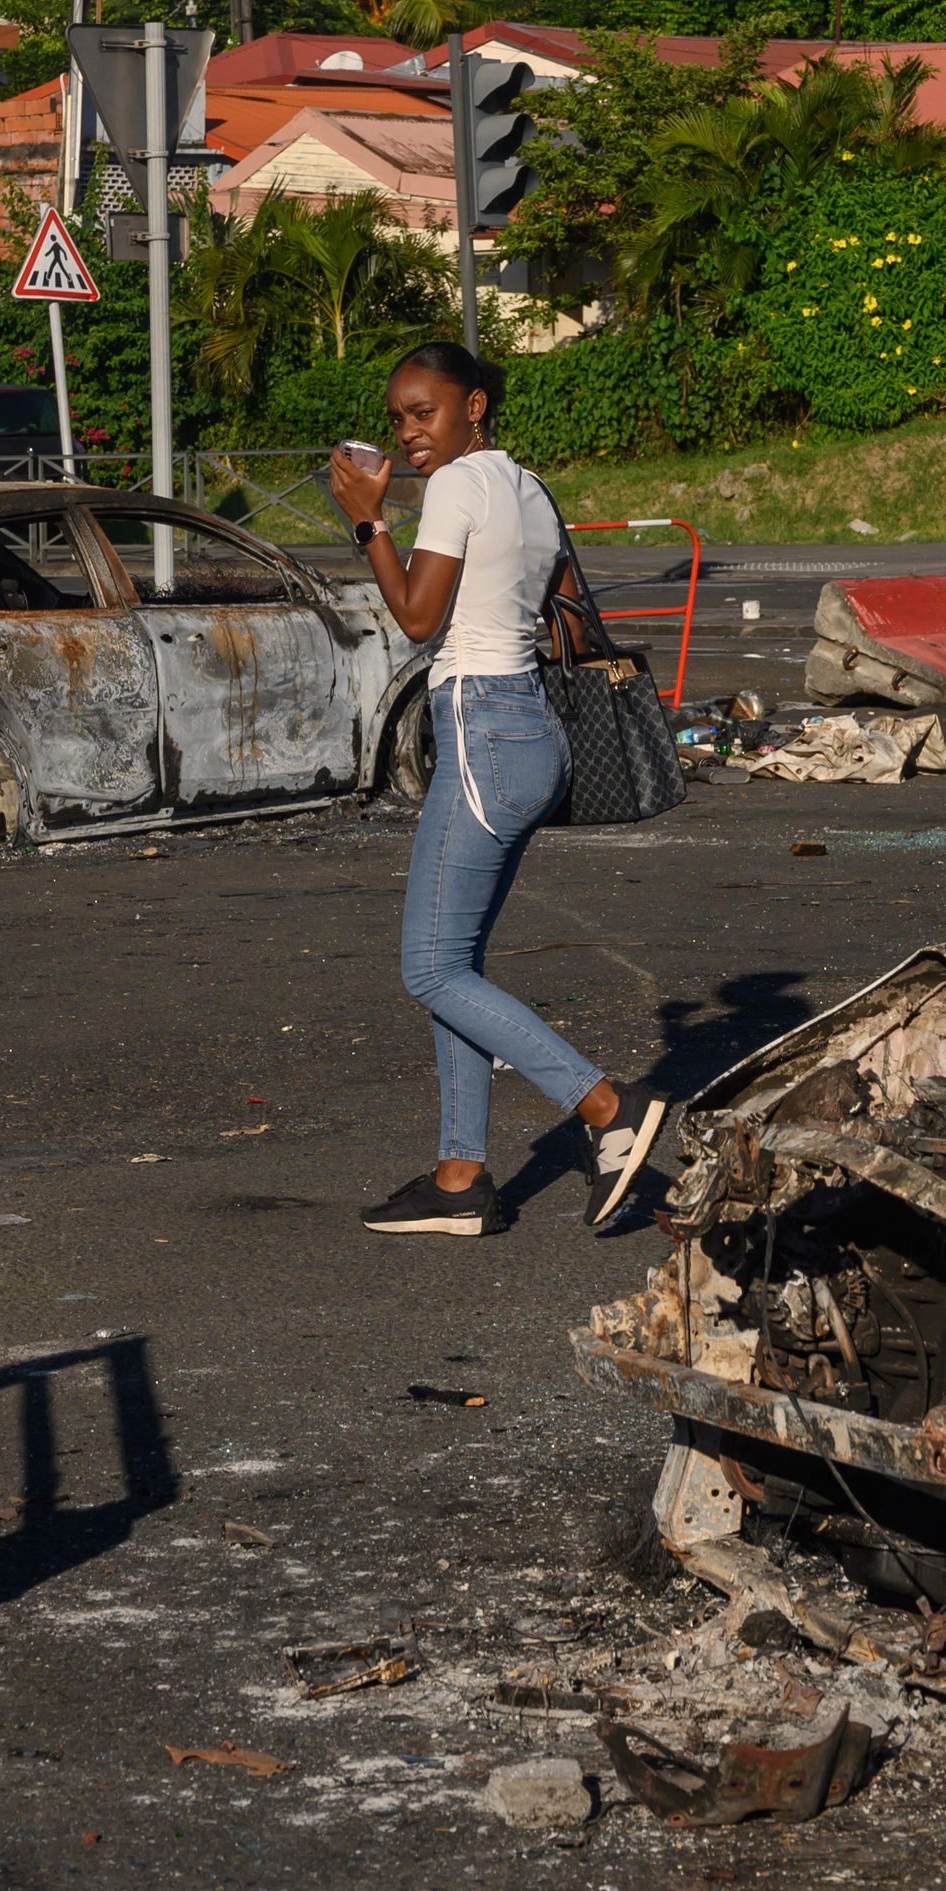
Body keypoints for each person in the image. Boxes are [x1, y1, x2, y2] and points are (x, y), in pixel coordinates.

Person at [324, 342, 668, 1237]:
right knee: (457, 961)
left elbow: (416, 616)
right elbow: (559, 600)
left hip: (480, 728)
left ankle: (606, 1109)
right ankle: (460, 1176)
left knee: (429, 966)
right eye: (398, 416)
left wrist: (368, 522)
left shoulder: (457, 487)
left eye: (424, 412)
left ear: (473, 406)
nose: (409, 430)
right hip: (534, 735)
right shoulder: (529, 487)